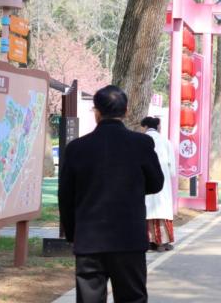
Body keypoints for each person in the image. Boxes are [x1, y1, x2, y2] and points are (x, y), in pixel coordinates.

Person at [59, 85, 164, 303]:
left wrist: (72, 234)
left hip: (89, 240)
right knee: (132, 298)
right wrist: (132, 188)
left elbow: (66, 197)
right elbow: (156, 183)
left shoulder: (77, 148)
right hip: (129, 238)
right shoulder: (141, 143)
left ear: (96, 111)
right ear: (125, 111)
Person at [141, 116, 177, 252]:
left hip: (146, 182)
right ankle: (163, 241)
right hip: (163, 182)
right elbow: (173, 170)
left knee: (147, 211)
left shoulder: (141, 140)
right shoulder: (166, 142)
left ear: (144, 127)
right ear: (157, 127)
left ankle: (148, 242)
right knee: (162, 211)